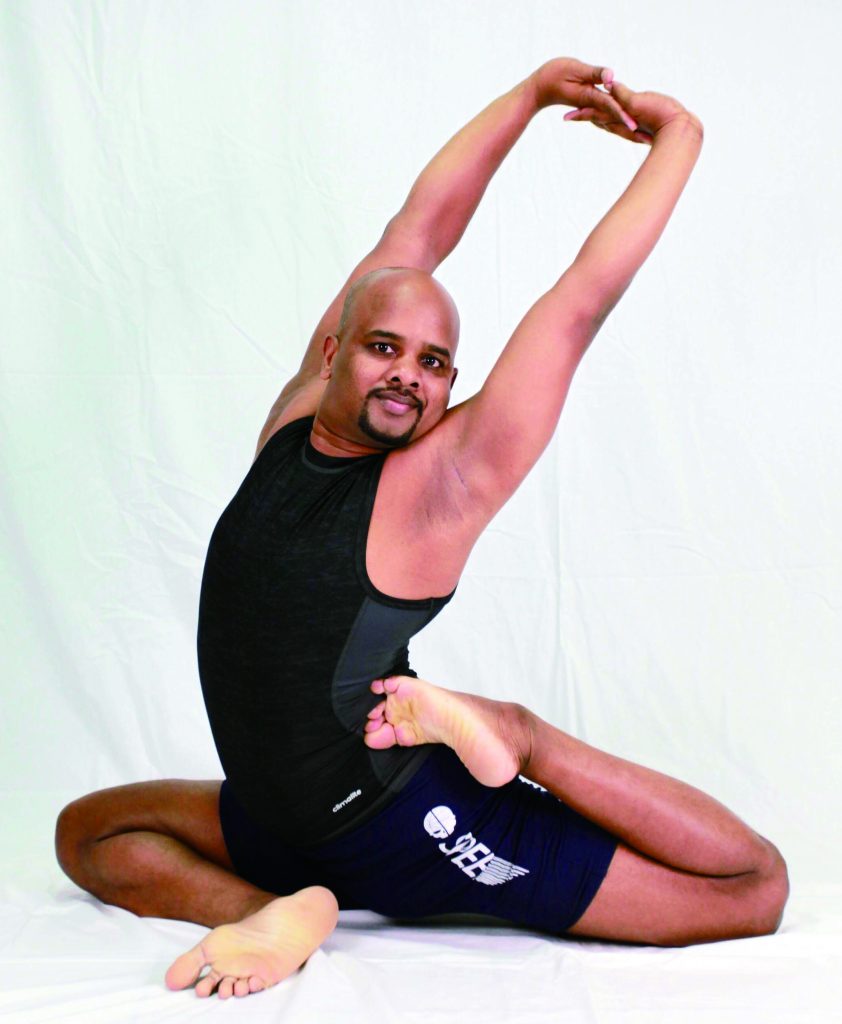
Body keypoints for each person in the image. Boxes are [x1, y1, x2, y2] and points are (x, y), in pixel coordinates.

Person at [54, 58, 788, 1001]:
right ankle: (277, 911)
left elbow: (578, 304)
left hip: (404, 823)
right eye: (384, 347)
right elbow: (417, 229)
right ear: (332, 353)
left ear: (450, 387)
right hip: (280, 825)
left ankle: (515, 736)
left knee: (752, 887)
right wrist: (527, 97)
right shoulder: (293, 420)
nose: (409, 372)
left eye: (436, 363)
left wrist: (677, 133)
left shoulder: (436, 485)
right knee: (89, 834)